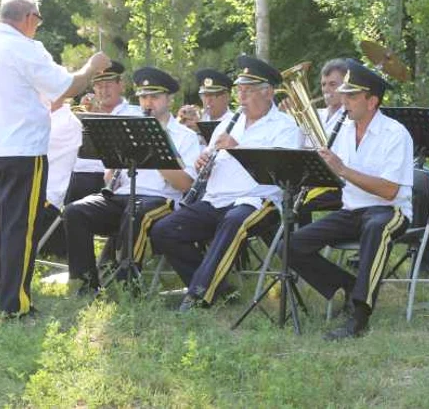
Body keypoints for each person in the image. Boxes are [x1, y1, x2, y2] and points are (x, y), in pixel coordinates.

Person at [0, 0, 111, 317]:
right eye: (38, 21)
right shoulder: (23, 47)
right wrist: (91, 67)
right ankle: (15, 305)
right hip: (21, 152)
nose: (38, 27)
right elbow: (67, 88)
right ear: (29, 18)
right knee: (19, 229)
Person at [150, 55, 300, 312]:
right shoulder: (228, 125)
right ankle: (220, 290)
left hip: (257, 201)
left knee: (233, 222)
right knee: (164, 230)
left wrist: (239, 147)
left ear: (268, 93)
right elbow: (211, 166)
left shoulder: (286, 126)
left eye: (248, 91)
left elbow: (281, 172)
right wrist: (202, 166)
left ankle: (198, 296)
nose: (241, 98)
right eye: (240, 90)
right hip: (216, 199)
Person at [287, 59, 413, 340]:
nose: (344, 100)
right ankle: (347, 284)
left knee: (375, 228)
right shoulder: (342, 129)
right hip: (352, 209)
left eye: (352, 95)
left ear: (372, 102)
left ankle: (359, 316)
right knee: (292, 245)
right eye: (344, 94)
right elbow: (331, 174)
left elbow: (389, 190)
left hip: (389, 210)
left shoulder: (396, 134)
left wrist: (342, 169)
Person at [63, 67, 200, 295]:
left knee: (135, 212)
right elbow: (110, 180)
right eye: (144, 97)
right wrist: (115, 163)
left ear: (170, 99)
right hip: (122, 196)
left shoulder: (186, 136)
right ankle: (88, 283)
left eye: (154, 97)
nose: (148, 102)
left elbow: (185, 185)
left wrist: (157, 149)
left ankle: (127, 283)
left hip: (161, 201)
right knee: (74, 211)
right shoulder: (129, 128)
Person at [0, 97, 83, 276]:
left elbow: (21, 154)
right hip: (15, 191)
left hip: (43, 198)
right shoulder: (33, 116)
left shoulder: (66, 123)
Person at [67, 61, 143, 204]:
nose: (103, 91)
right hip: (77, 177)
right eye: (99, 86)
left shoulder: (136, 114)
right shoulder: (82, 114)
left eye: (108, 85)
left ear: (121, 85)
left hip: (115, 180)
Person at [297, 58, 349, 226]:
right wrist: (292, 119)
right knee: (281, 198)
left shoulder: (351, 118)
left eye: (333, 84)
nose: (326, 90)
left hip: (337, 184)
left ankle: (295, 247)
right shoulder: (314, 114)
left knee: (297, 203)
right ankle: (289, 247)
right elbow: (299, 149)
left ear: (346, 86)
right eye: (324, 85)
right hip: (311, 179)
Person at [177, 68, 234, 137]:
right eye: (204, 95)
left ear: (226, 97)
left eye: (213, 95)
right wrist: (182, 126)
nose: (208, 100)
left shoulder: (234, 123)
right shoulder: (200, 118)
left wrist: (200, 130)